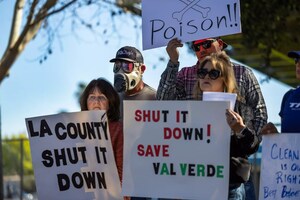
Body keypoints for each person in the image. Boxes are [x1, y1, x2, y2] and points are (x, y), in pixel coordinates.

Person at [157, 38, 268, 200]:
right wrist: (173, 61)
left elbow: (259, 114)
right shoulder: (185, 75)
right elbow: (163, 104)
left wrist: (241, 138)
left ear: (220, 44)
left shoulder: (243, 74)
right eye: (196, 46)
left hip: (231, 176)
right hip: (194, 174)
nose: (201, 49)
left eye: (206, 44)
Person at [193, 51, 260, 199]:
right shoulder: (191, 110)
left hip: (230, 187)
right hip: (198, 184)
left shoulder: (239, 107)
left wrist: (240, 129)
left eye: (213, 74)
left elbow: (252, 145)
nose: (205, 77)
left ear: (224, 79)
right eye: (202, 72)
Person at [79, 78, 124, 185]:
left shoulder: (118, 129)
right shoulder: (75, 130)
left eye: (102, 97)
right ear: (86, 102)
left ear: (110, 102)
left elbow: (122, 170)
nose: (96, 102)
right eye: (92, 97)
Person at [110, 46, 156, 119]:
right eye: (117, 66)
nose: (120, 71)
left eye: (127, 66)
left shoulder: (154, 98)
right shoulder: (112, 99)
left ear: (142, 69)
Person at [261, 50, 300, 134]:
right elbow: (286, 141)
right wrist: (275, 134)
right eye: (296, 61)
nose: (298, 65)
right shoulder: (288, 96)